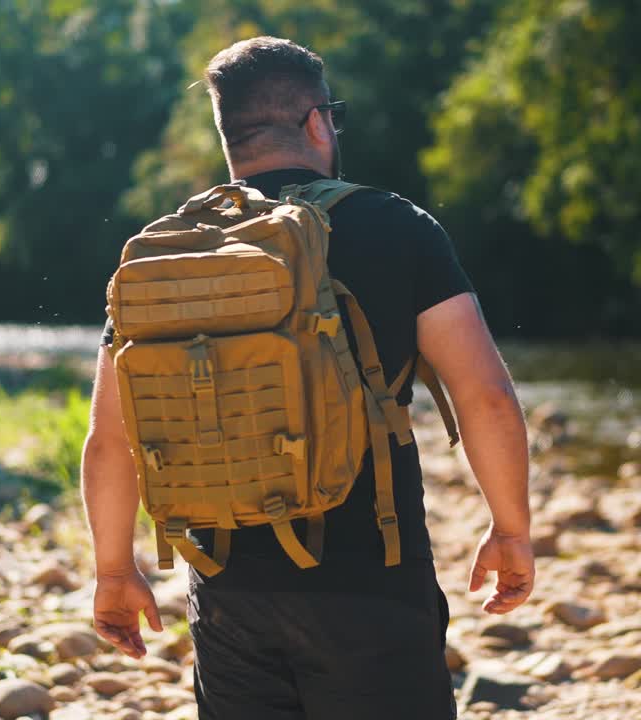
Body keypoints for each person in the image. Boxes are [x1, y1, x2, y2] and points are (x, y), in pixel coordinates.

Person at [80, 36, 532, 720]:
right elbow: (484, 394)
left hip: (229, 593)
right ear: (318, 120)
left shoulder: (170, 248)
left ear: (228, 134)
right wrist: (511, 528)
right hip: (371, 584)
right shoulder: (397, 226)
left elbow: (109, 438)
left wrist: (114, 573)